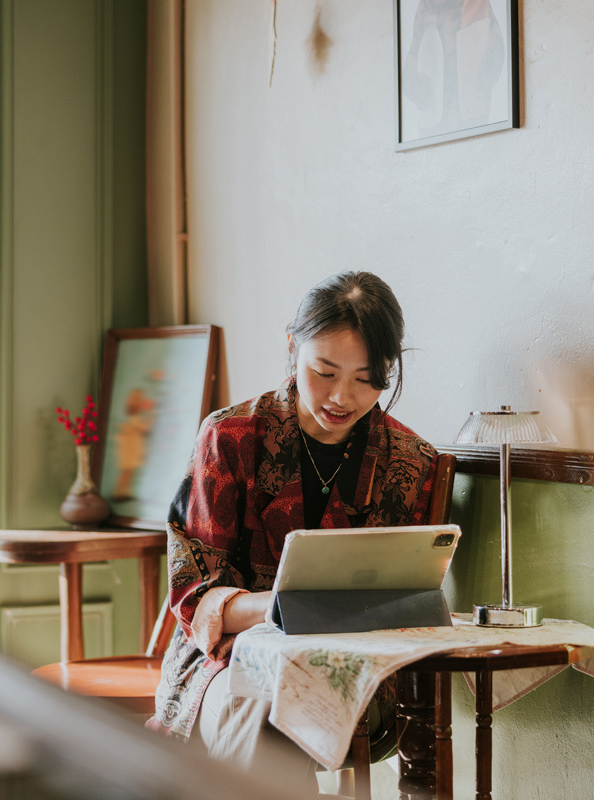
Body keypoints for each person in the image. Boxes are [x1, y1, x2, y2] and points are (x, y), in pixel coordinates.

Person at [148, 271, 439, 769]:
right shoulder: (229, 437)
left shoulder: (409, 460)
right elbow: (198, 599)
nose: (341, 397)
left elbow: (401, 598)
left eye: (367, 379)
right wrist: (295, 610)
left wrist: (305, 614)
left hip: (356, 672)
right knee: (270, 709)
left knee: (292, 707)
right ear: (292, 347)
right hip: (228, 660)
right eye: (324, 371)